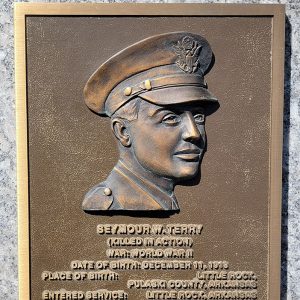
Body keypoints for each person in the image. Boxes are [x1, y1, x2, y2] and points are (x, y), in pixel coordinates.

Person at [82, 32, 219, 213]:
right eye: (170, 118)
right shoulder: (107, 203)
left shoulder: (164, 199)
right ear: (123, 131)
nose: (194, 133)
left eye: (199, 117)